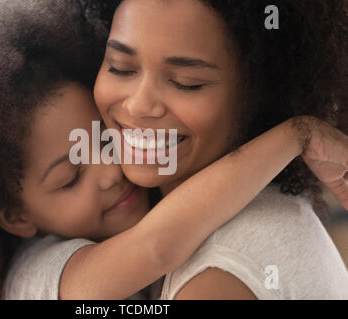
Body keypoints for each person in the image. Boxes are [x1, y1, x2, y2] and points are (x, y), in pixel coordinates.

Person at [93, 0, 348, 299]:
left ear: (256, 97)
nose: (137, 105)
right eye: (120, 68)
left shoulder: (221, 273)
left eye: (186, 84)